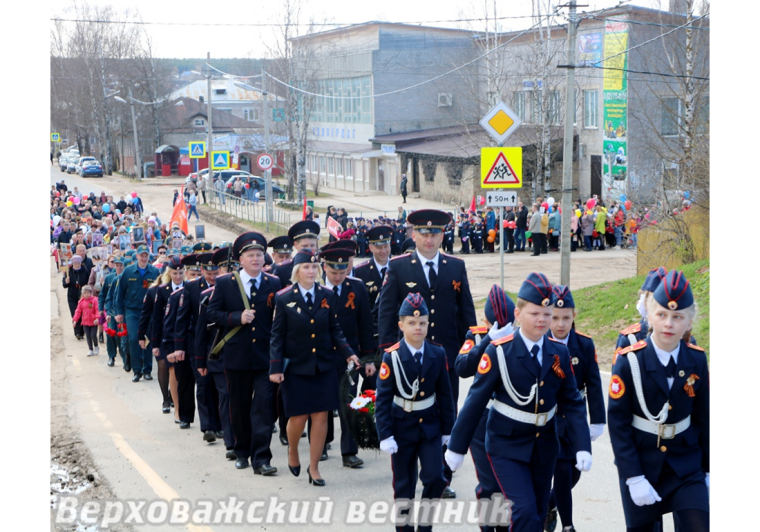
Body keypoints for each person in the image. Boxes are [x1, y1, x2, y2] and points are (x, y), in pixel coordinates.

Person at [445, 272, 593, 532]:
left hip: (545, 445)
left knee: (536, 514)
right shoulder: (500, 351)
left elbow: (572, 402)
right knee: (523, 512)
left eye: (547, 314)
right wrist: (456, 447)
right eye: (535, 313)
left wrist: (582, 445)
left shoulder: (558, 352)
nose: (542, 320)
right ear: (518, 314)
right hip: (507, 446)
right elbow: (475, 401)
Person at [378, 209, 477, 499]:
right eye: (423, 232)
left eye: (434, 233)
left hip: (445, 355)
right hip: (408, 359)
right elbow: (386, 313)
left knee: (446, 413)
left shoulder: (456, 266)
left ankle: (440, 477)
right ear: (413, 235)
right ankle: (408, 475)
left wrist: (469, 350)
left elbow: (466, 312)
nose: (429, 238)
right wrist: (387, 354)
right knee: (409, 413)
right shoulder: (398, 266)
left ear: (443, 235)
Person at [608, 271, 709, 532]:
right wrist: (632, 475)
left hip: (685, 465)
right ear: (650, 316)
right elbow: (618, 423)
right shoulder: (629, 361)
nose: (669, 323)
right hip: (642, 464)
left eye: (677, 317)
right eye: (662, 314)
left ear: (688, 322)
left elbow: (704, 418)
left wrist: (708, 469)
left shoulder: (696, 360)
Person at [269, 249, 361, 486]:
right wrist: (275, 368)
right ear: (297, 272)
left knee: (321, 416)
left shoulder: (327, 295)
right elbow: (277, 335)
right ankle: (292, 450)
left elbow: (334, 330)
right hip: (296, 368)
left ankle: (315, 467)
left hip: (323, 366)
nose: (311, 272)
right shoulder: (284, 297)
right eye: (306, 268)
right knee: (298, 417)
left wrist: (348, 353)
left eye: (314, 268)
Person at [376, 293, 455, 532]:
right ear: (401, 326)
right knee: (403, 486)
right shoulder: (392, 356)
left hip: (429, 427)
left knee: (436, 478)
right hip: (401, 428)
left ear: (428, 323)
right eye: (411, 323)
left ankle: (425, 526)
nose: (417, 328)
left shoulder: (437, 353)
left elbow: (445, 394)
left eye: (422, 323)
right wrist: (385, 434)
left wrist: (447, 430)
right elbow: (383, 399)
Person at [207, 232, 281, 475]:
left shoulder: (273, 283)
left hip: (264, 358)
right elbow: (212, 314)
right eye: (251, 255)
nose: (256, 259)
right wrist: (235, 317)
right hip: (236, 357)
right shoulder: (225, 283)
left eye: (259, 254)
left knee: (263, 408)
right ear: (241, 259)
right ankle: (241, 451)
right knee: (238, 408)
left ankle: (262, 458)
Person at [544, 285, 606, 532]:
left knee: (574, 474)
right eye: (555, 318)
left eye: (566, 318)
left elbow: (593, 383)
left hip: (574, 418)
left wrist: (597, 420)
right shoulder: (540, 343)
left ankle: (548, 504)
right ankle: (568, 526)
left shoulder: (584, 345)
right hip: (550, 417)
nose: (560, 324)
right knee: (561, 470)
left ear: (574, 317)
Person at [454, 284, 515, 532]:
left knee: (510, 487)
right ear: (485, 321)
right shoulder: (477, 335)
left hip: (511, 420)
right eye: (494, 324)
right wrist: (489, 339)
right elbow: (462, 366)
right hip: (482, 420)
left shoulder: (520, 335)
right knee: (490, 486)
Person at [318, 244, 377, 467]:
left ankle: (349, 451)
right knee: (322, 402)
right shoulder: (313, 289)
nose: (338, 277)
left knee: (349, 401)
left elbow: (365, 326)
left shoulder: (357, 288)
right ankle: (321, 444)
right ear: (324, 268)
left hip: (350, 356)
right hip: (321, 355)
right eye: (334, 273)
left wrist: (368, 358)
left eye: (343, 272)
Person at [174, 252, 223, 442]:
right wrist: (179, 346)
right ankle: (208, 427)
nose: (212, 277)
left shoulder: (224, 285)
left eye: (215, 273)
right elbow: (182, 318)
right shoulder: (192, 288)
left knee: (218, 386)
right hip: (198, 343)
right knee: (203, 384)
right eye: (209, 273)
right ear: (202, 271)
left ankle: (219, 424)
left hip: (219, 342)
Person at [114, 244, 160, 382]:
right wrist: (119, 312)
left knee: (147, 340)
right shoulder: (128, 271)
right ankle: (136, 370)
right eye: (142, 255)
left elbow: (159, 292)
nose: (144, 258)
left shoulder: (154, 272)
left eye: (146, 255)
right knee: (133, 339)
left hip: (148, 311)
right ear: (137, 256)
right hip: (132, 310)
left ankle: (147, 370)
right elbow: (120, 292)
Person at [151, 259, 186, 423]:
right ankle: (178, 410)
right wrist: (155, 343)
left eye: (180, 273)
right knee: (172, 370)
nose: (178, 276)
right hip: (169, 337)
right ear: (169, 273)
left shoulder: (190, 288)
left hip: (187, 335)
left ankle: (185, 405)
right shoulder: (162, 290)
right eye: (175, 273)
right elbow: (156, 318)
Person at [272, 220, 320, 288]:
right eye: (305, 246)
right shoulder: (282, 269)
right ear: (296, 245)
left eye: (312, 245)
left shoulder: (320, 267)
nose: (309, 249)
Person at [100, 256, 126, 367]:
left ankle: (125, 358)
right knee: (110, 333)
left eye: (121, 265)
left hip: (123, 311)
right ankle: (111, 356)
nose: (119, 267)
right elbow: (104, 295)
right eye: (117, 265)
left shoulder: (126, 277)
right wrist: (102, 310)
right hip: (111, 311)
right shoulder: (109, 278)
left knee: (122, 336)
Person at [63, 255, 90, 340]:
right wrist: (66, 282)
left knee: (83, 313)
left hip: (82, 296)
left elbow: (88, 281)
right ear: (72, 263)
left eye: (78, 263)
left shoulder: (85, 271)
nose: (77, 265)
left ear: (80, 263)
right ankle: (77, 332)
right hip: (72, 296)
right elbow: (64, 285)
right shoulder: (68, 271)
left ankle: (82, 331)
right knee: (75, 314)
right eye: (75, 263)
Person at [72, 285, 100, 356]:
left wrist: (97, 318)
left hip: (94, 322)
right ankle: (90, 349)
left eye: (88, 293)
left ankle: (96, 346)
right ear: (83, 294)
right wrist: (75, 320)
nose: (87, 294)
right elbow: (78, 312)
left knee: (93, 335)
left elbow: (97, 310)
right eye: (85, 293)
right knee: (88, 336)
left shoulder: (95, 300)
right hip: (85, 322)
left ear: (91, 293)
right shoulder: (81, 302)